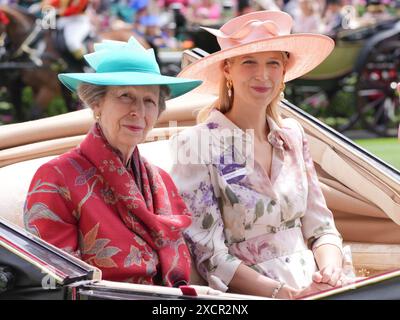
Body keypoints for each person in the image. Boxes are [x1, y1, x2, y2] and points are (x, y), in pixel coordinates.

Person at [170, 10, 354, 299]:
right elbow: (209, 256)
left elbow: (321, 228)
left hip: (319, 287)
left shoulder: (292, 135)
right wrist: (285, 294)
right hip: (250, 296)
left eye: (273, 63)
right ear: (227, 69)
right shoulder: (197, 143)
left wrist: (330, 272)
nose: (262, 74)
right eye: (249, 62)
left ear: (283, 72)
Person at [24, 37, 202, 285]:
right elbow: (55, 283)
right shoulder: (56, 177)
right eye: (125, 96)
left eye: (149, 101)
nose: (138, 111)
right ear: (97, 103)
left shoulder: (161, 180)